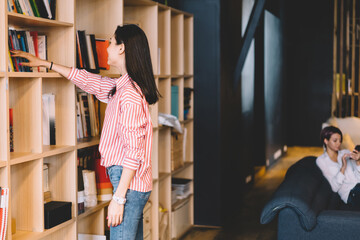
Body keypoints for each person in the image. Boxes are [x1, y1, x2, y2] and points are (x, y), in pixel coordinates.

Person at [11, 24, 160, 239]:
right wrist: (46, 64)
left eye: (111, 42)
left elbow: (133, 153)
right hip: (131, 183)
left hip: (128, 185)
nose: (106, 47)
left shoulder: (128, 95)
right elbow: (91, 81)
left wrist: (118, 200)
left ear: (121, 48)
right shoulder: (122, 87)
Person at [316, 126, 360, 210]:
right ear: (326, 141)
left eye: (340, 141)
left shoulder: (346, 152)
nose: (338, 144)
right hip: (350, 193)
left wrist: (358, 161)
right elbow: (334, 187)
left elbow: (357, 177)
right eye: (335, 140)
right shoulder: (322, 160)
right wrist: (343, 167)